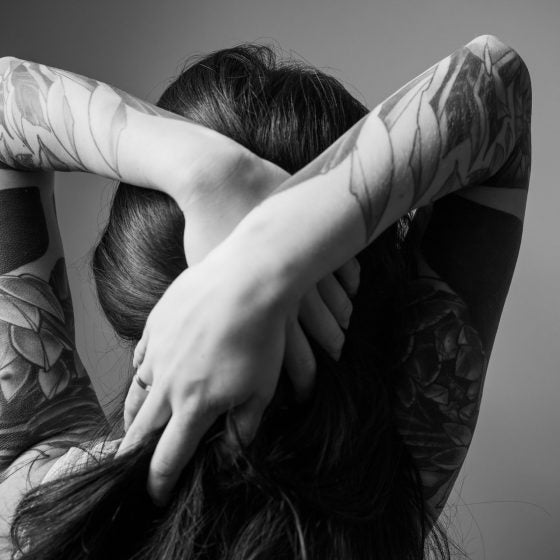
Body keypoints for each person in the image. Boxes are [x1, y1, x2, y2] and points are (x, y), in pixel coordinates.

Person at [0, 33, 531, 560]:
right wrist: (275, 252)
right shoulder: (392, 490)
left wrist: (204, 172)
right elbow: (495, 80)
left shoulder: (36, 506)